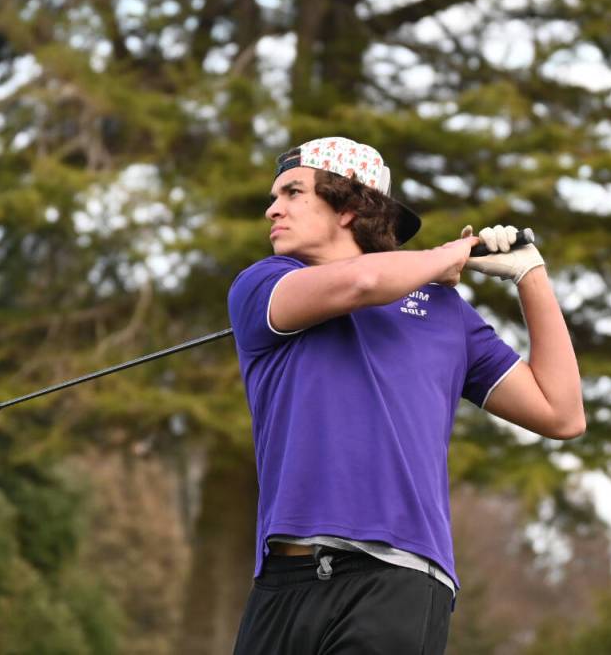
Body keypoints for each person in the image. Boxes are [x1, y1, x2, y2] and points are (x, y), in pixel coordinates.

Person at [227, 136, 585, 654]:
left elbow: (561, 412)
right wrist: (448, 254)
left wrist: (531, 276)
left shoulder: (444, 313)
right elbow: (364, 281)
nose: (271, 208)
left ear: (348, 205)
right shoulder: (264, 284)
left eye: (292, 192)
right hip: (284, 579)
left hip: (396, 578)